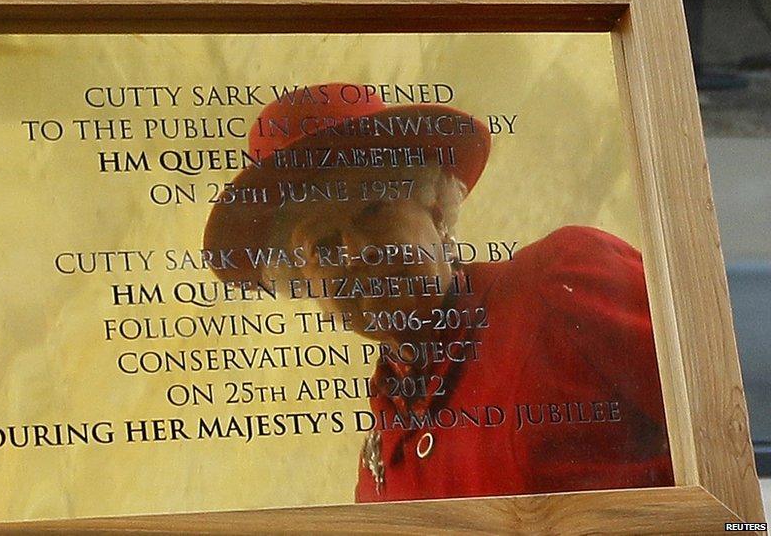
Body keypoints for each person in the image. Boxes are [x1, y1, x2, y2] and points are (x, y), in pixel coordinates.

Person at [203, 83, 674, 501]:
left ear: (433, 202)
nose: (356, 253)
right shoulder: (379, 463)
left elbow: (723, 434)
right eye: (322, 247)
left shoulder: (557, 282)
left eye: (371, 211)